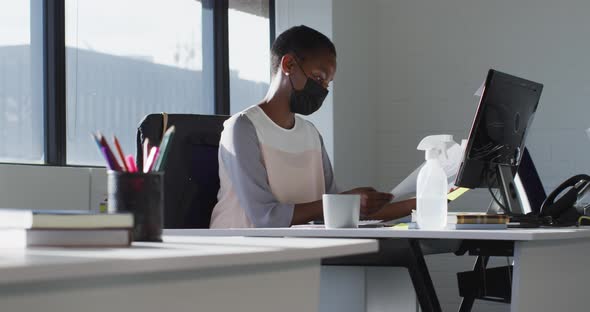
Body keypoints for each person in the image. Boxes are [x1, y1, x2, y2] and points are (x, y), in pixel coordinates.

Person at [210, 25, 414, 228]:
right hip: (240, 251)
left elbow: (336, 212)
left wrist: (422, 203)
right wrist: (347, 202)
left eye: (328, 83)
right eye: (319, 78)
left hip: (294, 251)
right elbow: (266, 217)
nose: (323, 89)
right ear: (289, 64)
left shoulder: (311, 134)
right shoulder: (242, 128)